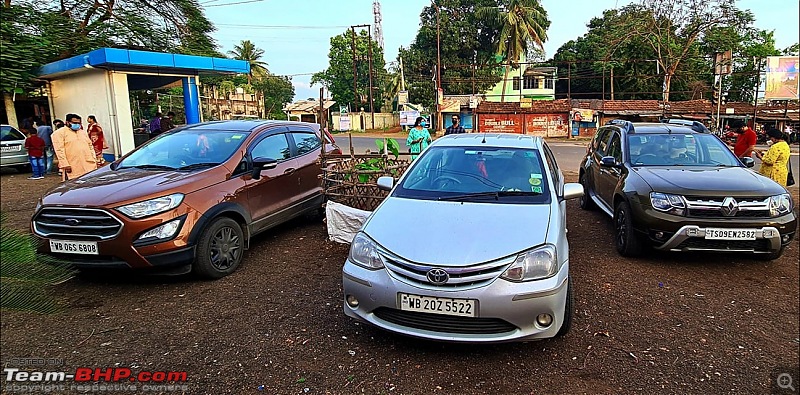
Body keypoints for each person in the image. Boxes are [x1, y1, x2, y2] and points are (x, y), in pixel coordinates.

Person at [52, 113, 97, 181]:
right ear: (67, 122)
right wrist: (65, 164)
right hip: (72, 165)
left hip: (88, 163)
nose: (77, 125)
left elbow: (90, 146)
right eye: (75, 123)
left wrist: (94, 158)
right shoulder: (59, 133)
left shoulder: (82, 132)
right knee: (73, 184)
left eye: (79, 123)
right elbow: (59, 150)